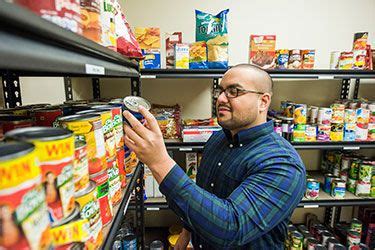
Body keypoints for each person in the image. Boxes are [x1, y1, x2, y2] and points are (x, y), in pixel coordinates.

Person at [123, 64, 306, 249]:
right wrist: (187, 233)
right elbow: (204, 194)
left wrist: (159, 161)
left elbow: (231, 227)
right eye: (220, 90)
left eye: (233, 91)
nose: (220, 98)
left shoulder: (283, 163)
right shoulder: (219, 138)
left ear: (263, 102)